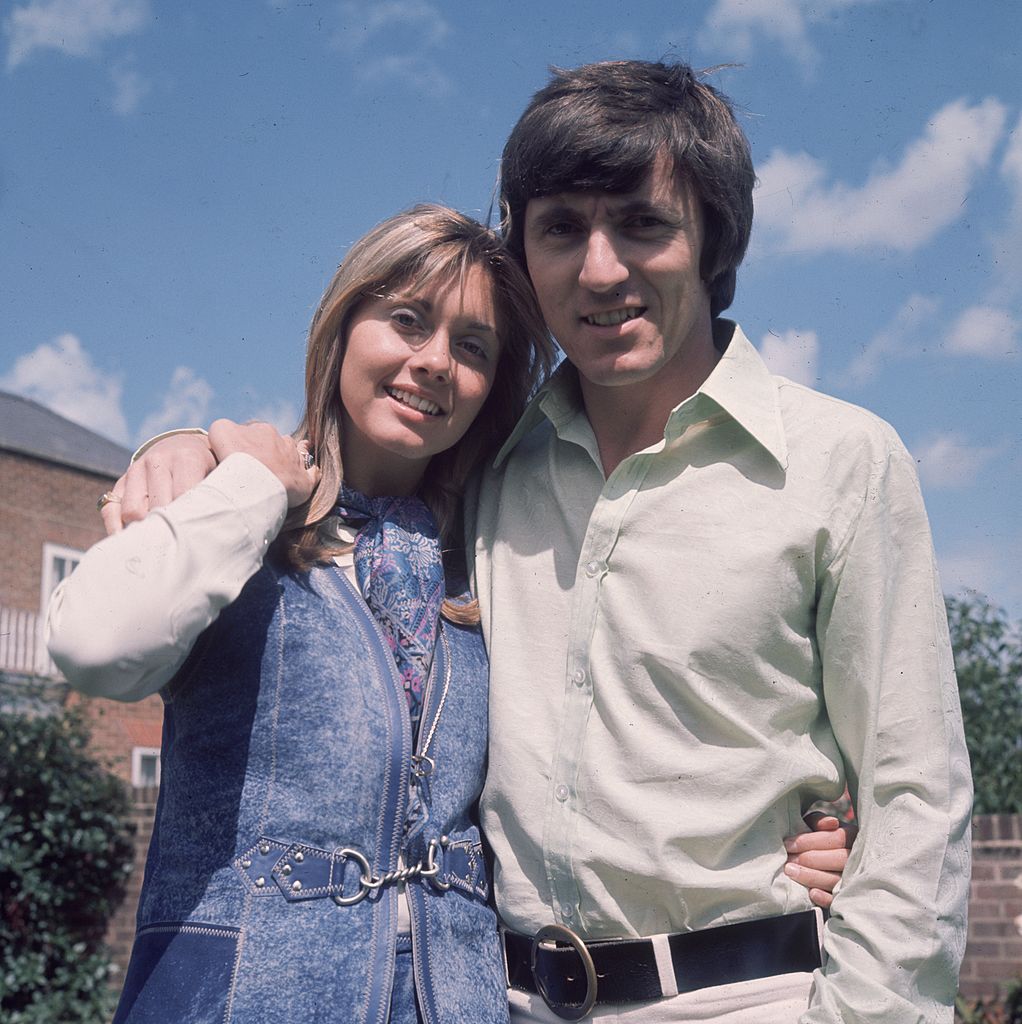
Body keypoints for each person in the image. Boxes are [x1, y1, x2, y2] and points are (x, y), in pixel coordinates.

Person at [469, 61, 973, 1022]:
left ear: (714, 240)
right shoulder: (490, 471)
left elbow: (917, 796)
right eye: (561, 228)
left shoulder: (842, 461)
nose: (601, 267)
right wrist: (189, 450)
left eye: (643, 222)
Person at [47, 205, 556, 1024]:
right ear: (342, 325)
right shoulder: (239, 513)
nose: (434, 363)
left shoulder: (492, 566)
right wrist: (250, 484)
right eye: (407, 320)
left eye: (472, 348)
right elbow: (91, 646)